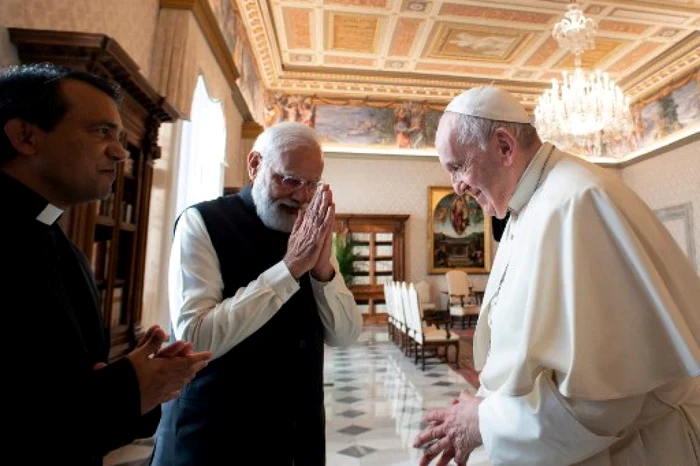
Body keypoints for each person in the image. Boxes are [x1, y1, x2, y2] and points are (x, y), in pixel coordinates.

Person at [413, 86, 700, 465]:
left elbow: (606, 399)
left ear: (503, 146)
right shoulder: (524, 208)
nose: (458, 187)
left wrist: (486, 423)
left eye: (458, 166)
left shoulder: (577, 202)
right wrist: (484, 403)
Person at [0, 63, 212, 464]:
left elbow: (59, 387)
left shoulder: (56, 239)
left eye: (119, 136)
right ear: (26, 136)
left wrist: (135, 381)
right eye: (101, 133)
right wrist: (129, 387)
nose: (119, 151)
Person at [151, 121, 363, 465]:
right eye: (289, 179)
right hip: (215, 437)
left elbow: (344, 336)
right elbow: (196, 337)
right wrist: (290, 269)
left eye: (312, 184)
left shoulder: (312, 230)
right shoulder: (201, 222)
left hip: (298, 436)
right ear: (254, 164)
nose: (301, 195)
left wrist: (323, 272)